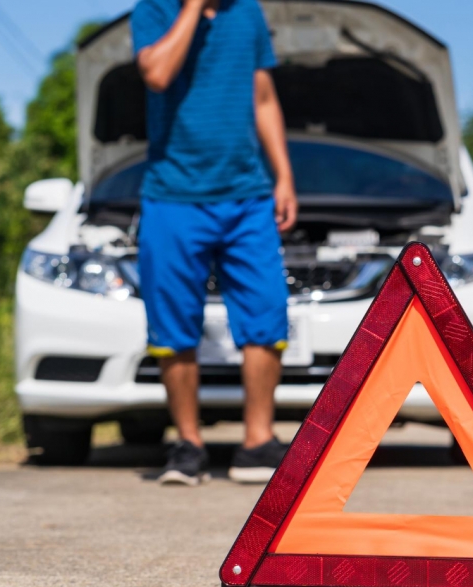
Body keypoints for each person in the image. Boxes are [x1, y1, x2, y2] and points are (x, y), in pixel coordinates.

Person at [131, 0, 297, 485]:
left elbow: (262, 96)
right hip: (172, 196)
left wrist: (283, 176)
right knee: (173, 324)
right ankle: (188, 445)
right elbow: (157, 74)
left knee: (268, 312)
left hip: (247, 196)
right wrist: (193, 8)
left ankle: (257, 444)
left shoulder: (247, 13)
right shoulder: (154, 11)